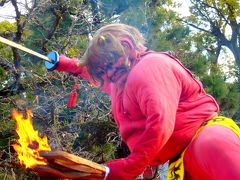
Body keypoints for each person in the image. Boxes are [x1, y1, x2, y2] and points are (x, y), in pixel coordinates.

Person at [45, 23, 240, 180]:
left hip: (204, 143)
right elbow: (88, 72)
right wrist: (63, 63)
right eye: (102, 71)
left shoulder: (148, 68)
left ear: (127, 46)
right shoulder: (118, 81)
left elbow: (160, 123)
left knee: (213, 148)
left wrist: (129, 166)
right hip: (176, 162)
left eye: (106, 66)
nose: (106, 75)